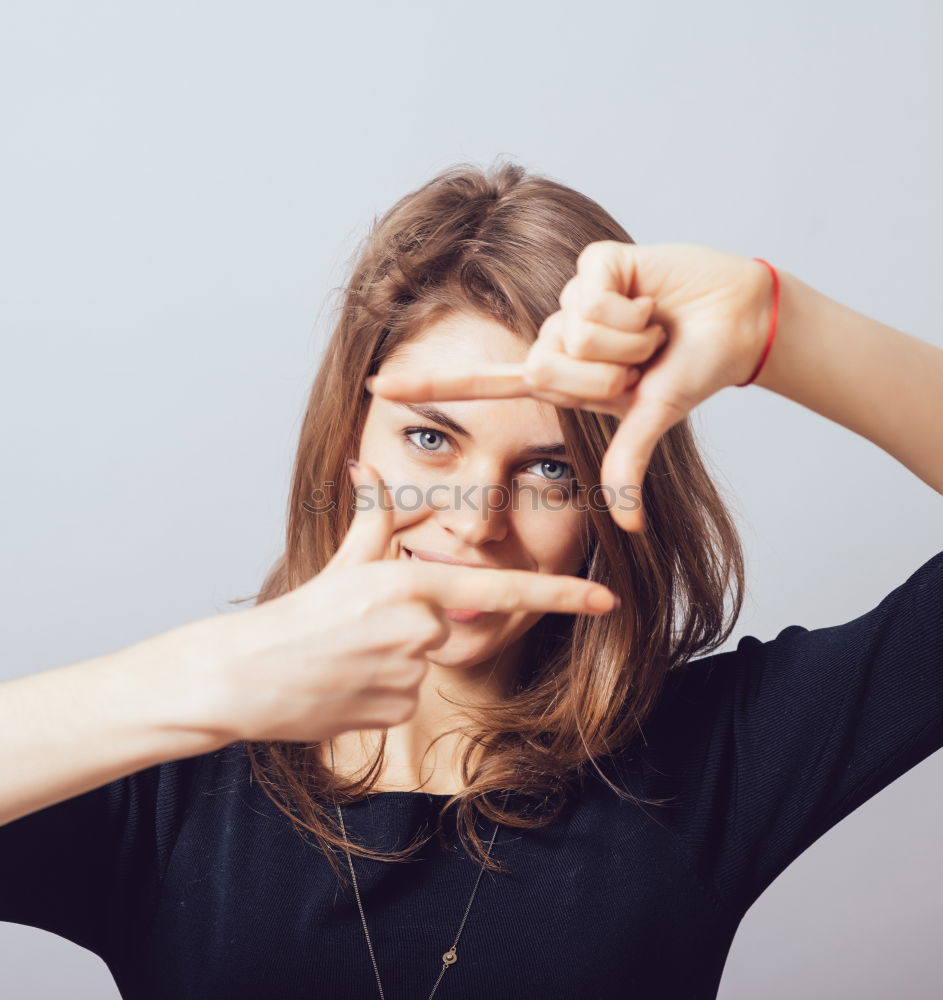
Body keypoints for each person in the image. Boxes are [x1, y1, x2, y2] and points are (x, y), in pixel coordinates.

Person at [1, 160, 941, 1000]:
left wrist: (786, 328)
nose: (473, 519)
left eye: (550, 468)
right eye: (430, 437)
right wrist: (201, 684)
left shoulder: (707, 763)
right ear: (345, 441)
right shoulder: (166, 777)